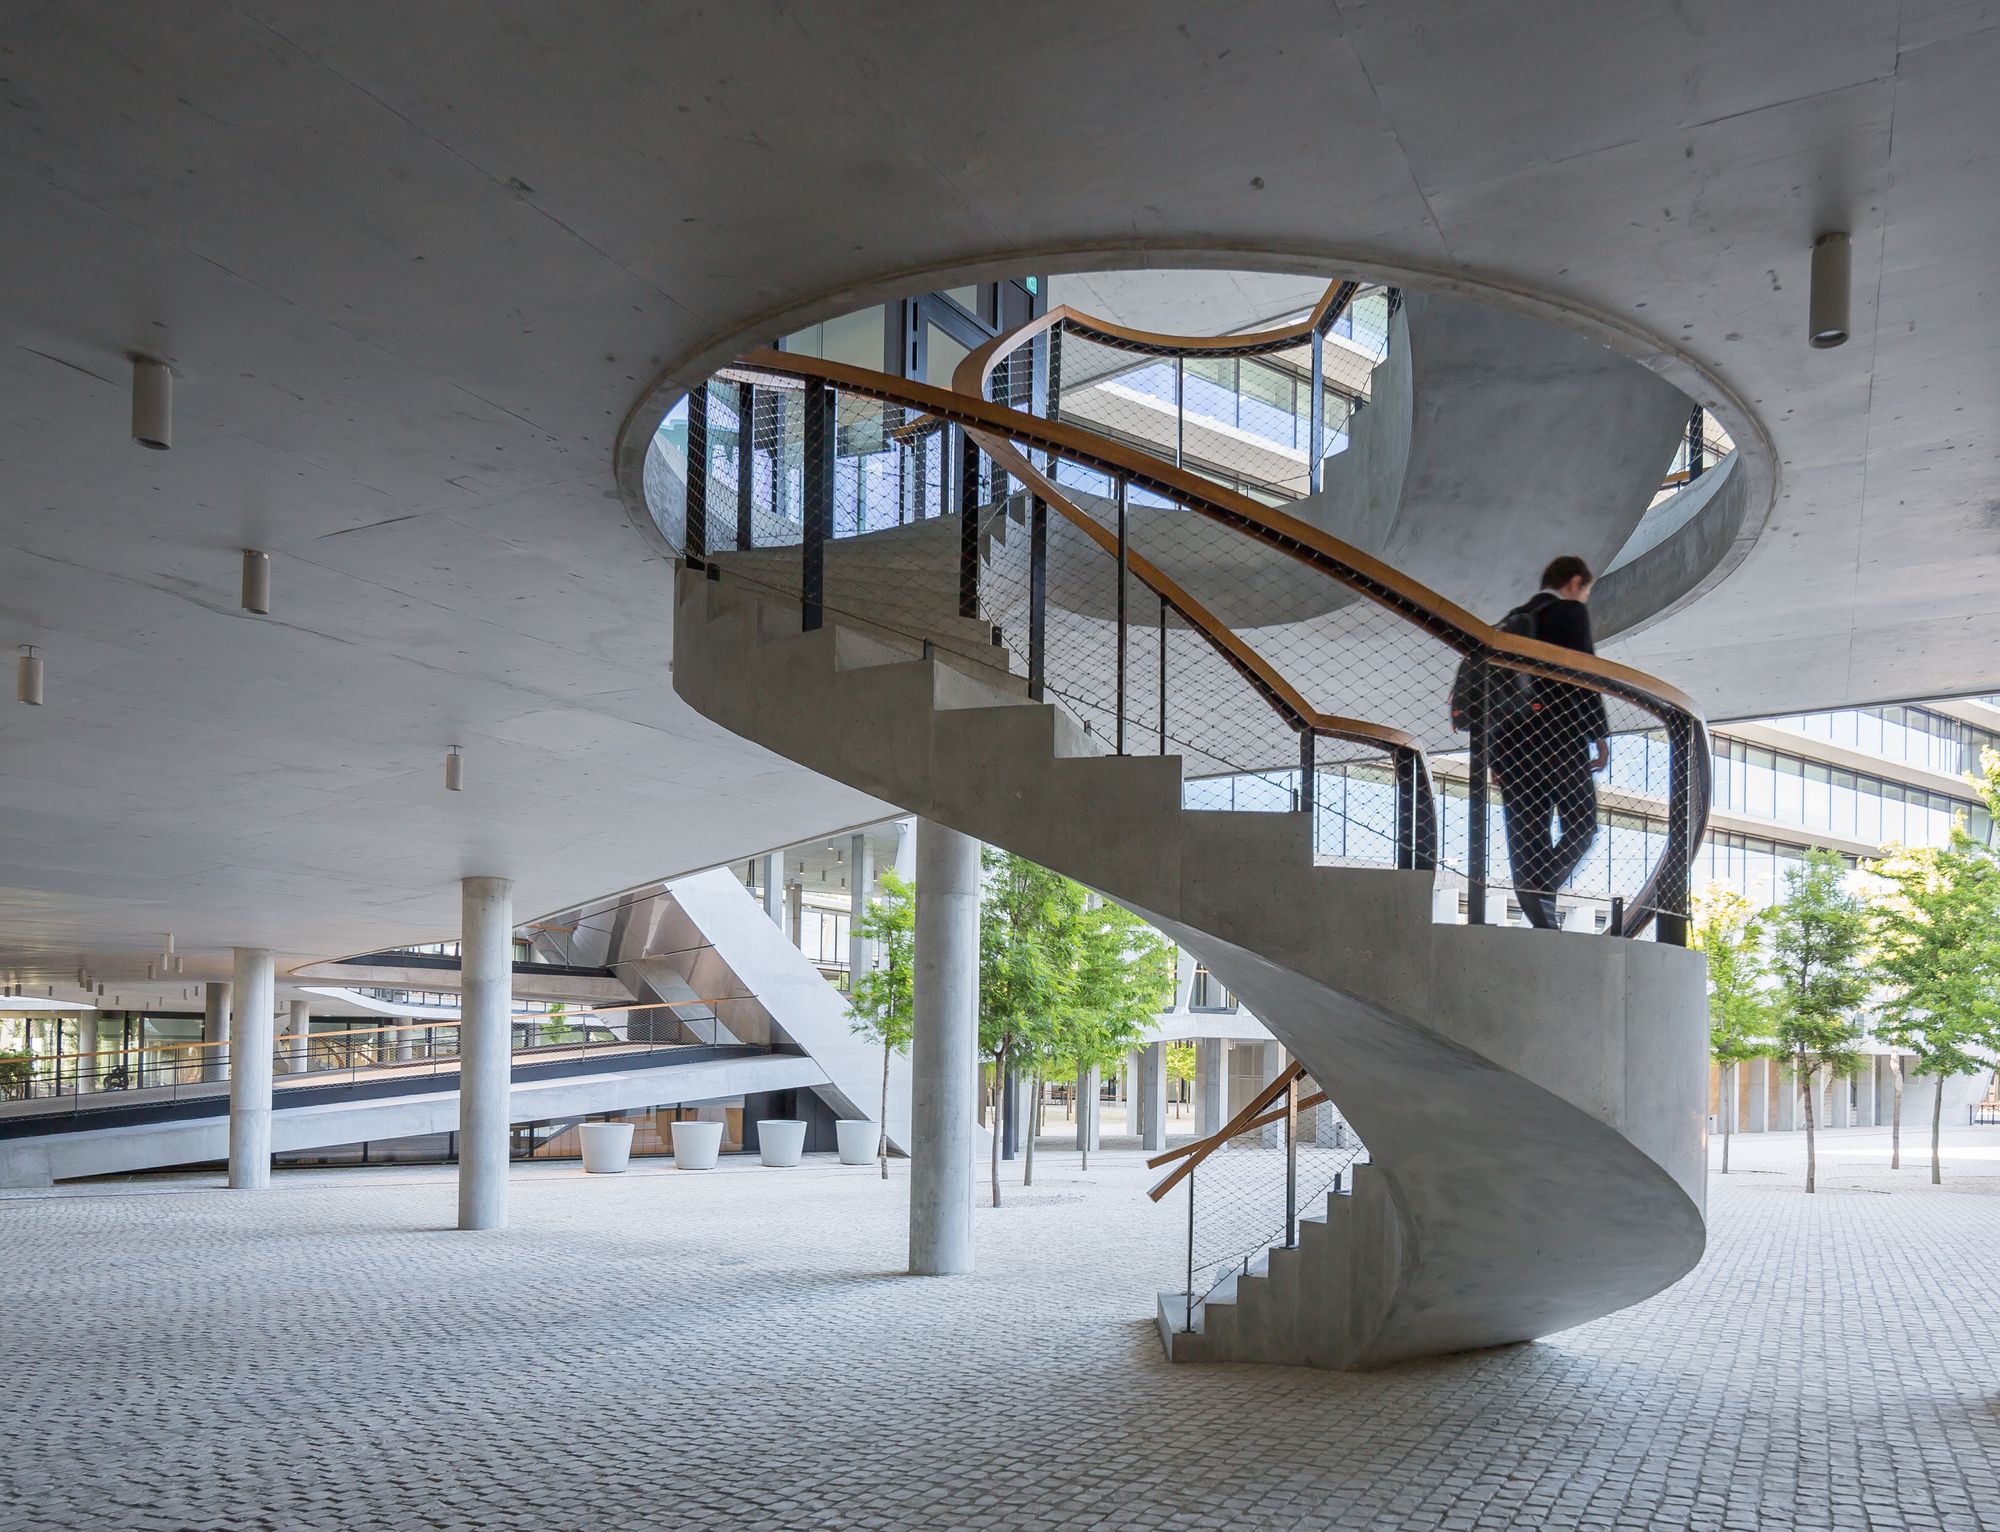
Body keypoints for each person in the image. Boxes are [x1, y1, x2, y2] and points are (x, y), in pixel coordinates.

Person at [1490, 555, 1610, 930]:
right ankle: (1542, 890)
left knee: (1528, 839)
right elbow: (1583, 673)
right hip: (1558, 738)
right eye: (1586, 591)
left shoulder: (1511, 621)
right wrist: (1599, 735)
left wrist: (1494, 754)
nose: (1584, 598)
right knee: (1582, 823)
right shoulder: (1569, 612)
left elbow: (1493, 694)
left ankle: (1542, 919)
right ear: (1575, 583)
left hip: (1510, 746)